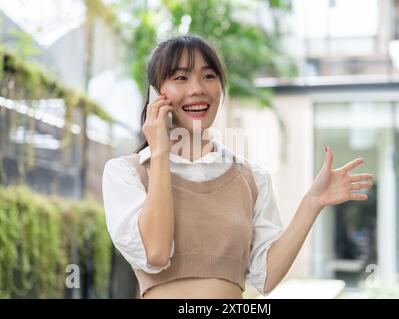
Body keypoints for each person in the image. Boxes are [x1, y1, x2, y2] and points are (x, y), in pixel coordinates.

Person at [102, 34, 374, 299]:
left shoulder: (251, 178)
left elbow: (265, 278)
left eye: (209, 76)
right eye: (181, 77)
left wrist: (311, 203)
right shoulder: (127, 173)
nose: (197, 88)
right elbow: (156, 252)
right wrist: (160, 153)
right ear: (155, 94)